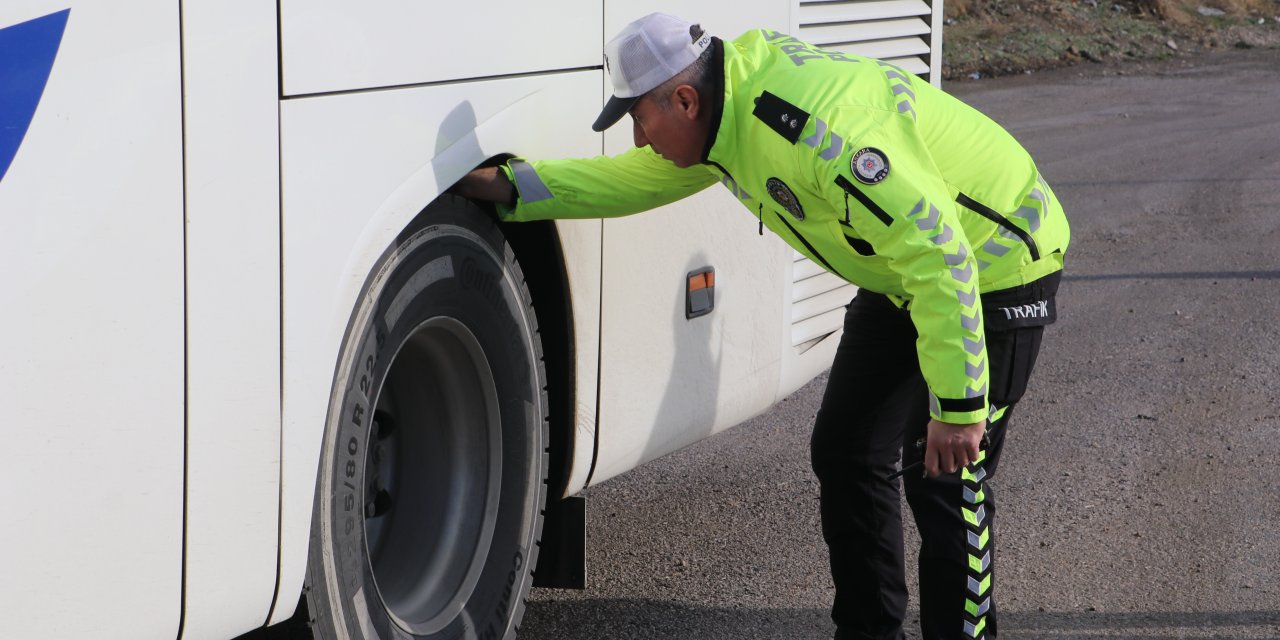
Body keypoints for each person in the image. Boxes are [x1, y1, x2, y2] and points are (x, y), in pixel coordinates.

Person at [455, 12, 1069, 640]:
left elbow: (942, 253)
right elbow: (635, 181)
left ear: (685, 98)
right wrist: (515, 188)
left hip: (996, 263)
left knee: (944, 476)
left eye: (640, 119)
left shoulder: (816, 134)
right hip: (905, 275)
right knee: (847, 450)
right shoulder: (727, 111)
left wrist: (960, 406)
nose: (640, 139)